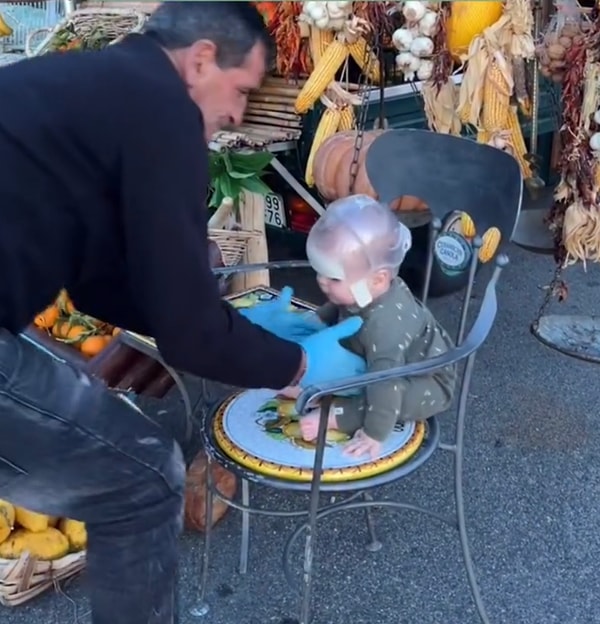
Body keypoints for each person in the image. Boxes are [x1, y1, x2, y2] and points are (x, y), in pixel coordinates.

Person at [0, 4, 366, 623]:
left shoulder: (95, 89)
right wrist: (298, 361)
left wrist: (228, 319)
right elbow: (190, 334)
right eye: (241, 90)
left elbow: (99, 283)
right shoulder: (162, 109)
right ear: (199, 61)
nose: (237, 115)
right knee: (142, 479)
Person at [282, 195, 457, 459]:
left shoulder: (385, 328)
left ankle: (336, 414)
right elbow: (340, 304)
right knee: (337, 347)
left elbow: (386, 384)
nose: (322, 282)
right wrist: (319, 318)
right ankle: (319, 388)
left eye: (333, 277)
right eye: (320, 273)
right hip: (373, 361)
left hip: (423, 378)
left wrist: (374, 434)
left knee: (388, 396)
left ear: (378, 279)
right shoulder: (364, 291)